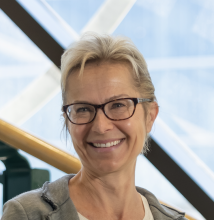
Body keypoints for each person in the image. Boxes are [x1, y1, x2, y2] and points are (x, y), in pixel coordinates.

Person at [2, 33, 187, 220]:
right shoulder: (27, 215)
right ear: (67, 120)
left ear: (150, 116)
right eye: (83, 109)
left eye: (118, 105)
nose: (100, 126)